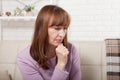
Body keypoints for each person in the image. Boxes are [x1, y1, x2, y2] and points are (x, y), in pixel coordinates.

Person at [17, 5, 81, 80]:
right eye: (57, 28)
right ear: (41, 29)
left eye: (65, 28)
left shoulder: (71, 49)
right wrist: (61, 64)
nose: (62, 34)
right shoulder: (25, 58)